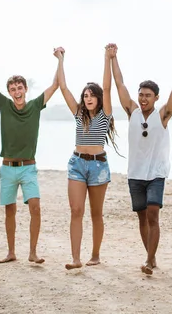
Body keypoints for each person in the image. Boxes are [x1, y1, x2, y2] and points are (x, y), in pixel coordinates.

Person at [109, 44, 172, 275]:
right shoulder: (132, 113)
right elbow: (120, 85)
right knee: (142, 218)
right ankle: (152, 258)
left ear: (156, 98)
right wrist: (113, 58)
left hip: (156, 173)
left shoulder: (163, 115)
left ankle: (148, 261)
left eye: (148, 95)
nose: (143, 98)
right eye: (141, 94)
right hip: (135, 174)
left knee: (153, 215)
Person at [0, 46, 59, 264]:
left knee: (35, 207)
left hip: (28, 167)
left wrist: (60, 59)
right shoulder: (4, 105)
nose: (16, 91)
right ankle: (11, 252)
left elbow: (55, 86)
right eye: (13, 88)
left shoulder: (35, 106)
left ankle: (33, 252)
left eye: (20, 87)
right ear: (9, 91)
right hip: (7, 168)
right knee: (10, 211)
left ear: (25, 89)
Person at [53, 45, 120, 270]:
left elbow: (109, 87)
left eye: (91, 95)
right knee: (76, 210)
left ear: (99, 99)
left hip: (99, 166)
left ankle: (95, 255)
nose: (87, 98)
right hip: (77, 164)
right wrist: (61, 59)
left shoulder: (104, 115)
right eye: (85, 95)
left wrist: (107, 58)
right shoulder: (78, 114)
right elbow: (63, 87)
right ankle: (75, 258)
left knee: (96, 213)